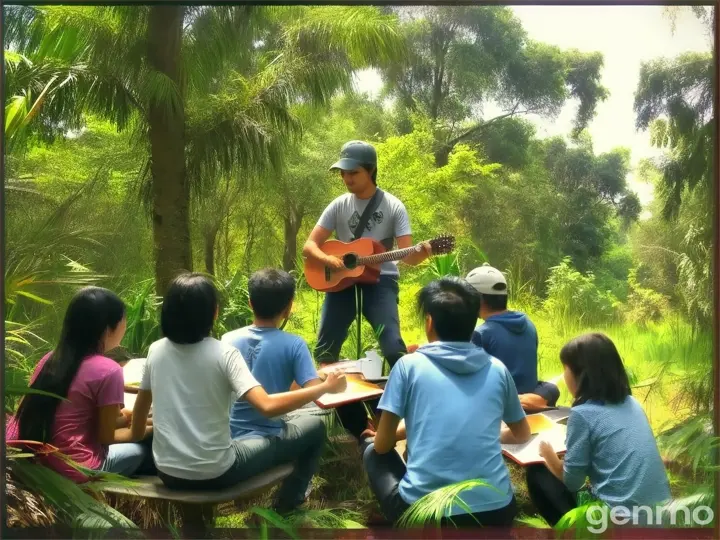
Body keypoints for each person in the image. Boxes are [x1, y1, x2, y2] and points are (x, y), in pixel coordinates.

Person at [130, 273, 346, 514]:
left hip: (167, 472)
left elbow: (137, 426)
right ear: (214, 312)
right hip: (218, 472)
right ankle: (288, 506)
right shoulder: (224, 353)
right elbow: (266, 407)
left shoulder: (155, 350)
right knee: (315, 428)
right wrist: (325, 387)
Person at [362, 277, 531, 526]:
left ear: (429, 322)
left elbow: (383, 444)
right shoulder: (497, 369)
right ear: (474, 323)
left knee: (371, 453)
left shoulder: (408, 366)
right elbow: (522, 434)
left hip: (429, 516)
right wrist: (478, 433)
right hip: (497, 512)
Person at [302, 140, 432, 440]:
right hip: (341, 281)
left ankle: (398, 418)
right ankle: (355, 423)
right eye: (343, 173)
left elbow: (407, 254)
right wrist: (329, 260)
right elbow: (310, 246)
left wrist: (422, 253)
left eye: (353, 173)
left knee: (393, 348)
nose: (347, 179)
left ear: (371, 171)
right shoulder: (338, 205)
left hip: (381, 280)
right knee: (325, 351)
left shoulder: (393, 206)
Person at [10, 287, 153, 483]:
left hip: (31, 462)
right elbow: (106, 436)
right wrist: (146, 430)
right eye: (123, 319)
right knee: (140, 451)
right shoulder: (109, 370)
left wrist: (129, 417)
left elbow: (78, 416)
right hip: (74, 469)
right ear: (108, 328)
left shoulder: (49, 359)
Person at [526, 333, 671, 527]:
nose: (564, 375)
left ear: (581, 374)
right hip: (662, 515)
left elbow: (572, 482)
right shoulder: (632, 402)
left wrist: (547, 453)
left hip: (621, 522)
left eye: (565, 369)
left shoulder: (582, 414)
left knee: (537, 472)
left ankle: (570, 532)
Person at [221, 269, 327, 499]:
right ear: (289, 307)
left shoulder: (227, 340)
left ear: (250, 303)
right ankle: (292, 499)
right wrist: (325, 380)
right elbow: (315, 392)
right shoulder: (294, 344)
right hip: (264, 438)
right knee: (317, 427)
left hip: (227, 436)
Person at [466, 263, 560, 409]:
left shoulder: (481, 334)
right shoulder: (528, 324)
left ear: (478, 300)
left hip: (502, 409)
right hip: (530, 403)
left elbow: (471, 382)